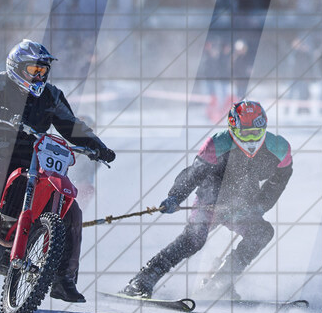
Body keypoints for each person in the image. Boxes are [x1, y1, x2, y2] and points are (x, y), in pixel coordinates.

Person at [0, 40, 116, 303]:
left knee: (71, 209)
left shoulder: (51, 95)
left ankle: (64, 278)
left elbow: (71, 125)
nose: (39, 75)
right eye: (33, 70)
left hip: (37, 158)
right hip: (0, 152)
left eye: (42, 71)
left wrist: (99, 146)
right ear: (16, 67)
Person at [121, 100, 292, 300]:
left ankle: (220, 283)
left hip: (241, 206)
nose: (252, 139)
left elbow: (279, 181)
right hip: (210, 200)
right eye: (246, 133)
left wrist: (260, 206)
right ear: (232, 129)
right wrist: (175, 196)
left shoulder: (279, 148)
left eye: (257, 132)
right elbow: (193, 174)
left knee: (262, 232)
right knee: (194, 239)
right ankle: (142, 280)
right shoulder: (217, 144)